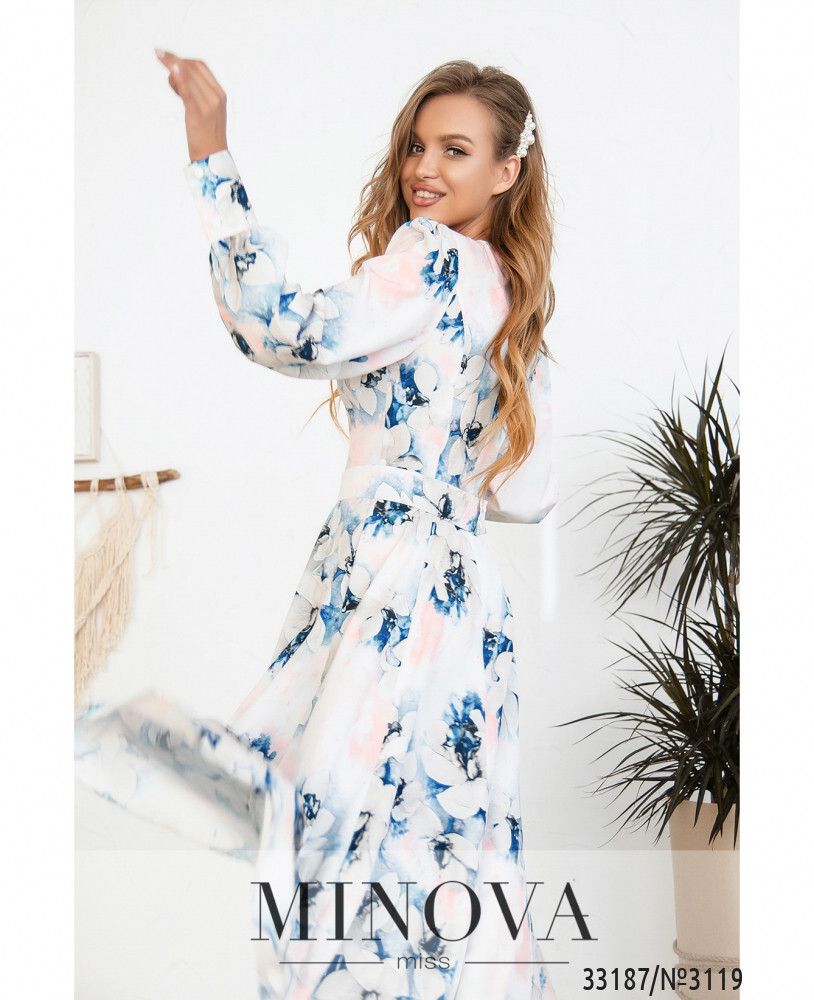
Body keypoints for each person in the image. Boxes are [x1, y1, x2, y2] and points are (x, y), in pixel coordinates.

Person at [76, 50, 559, 1000]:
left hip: (390, 575)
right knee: (441, 840)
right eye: (417, 145)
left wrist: (211, 156)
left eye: (455, 150)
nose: (424, 168)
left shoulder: (433, 260)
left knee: (340, 834)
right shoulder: (516, 293)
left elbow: (280, 326)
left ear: (508, 170)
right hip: (467, 605)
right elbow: (529, 491)